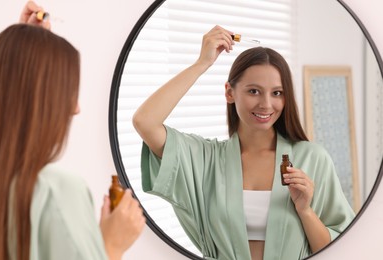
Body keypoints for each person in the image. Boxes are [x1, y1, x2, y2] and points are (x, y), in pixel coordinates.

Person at [133, 25, 355, 260]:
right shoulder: (206, 160)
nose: (266, 104)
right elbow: (145, 121)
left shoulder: (313, 159)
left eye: (277, 93)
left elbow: (339, 248)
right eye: (254, 91)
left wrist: (305, 211)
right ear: (230, 93)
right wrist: (202, 63)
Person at [0, 2, 145, 260]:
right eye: (69, 91)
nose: (76, 109)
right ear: (41, 98)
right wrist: (110, 247)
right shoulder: (57, 190)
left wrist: (14, 61)